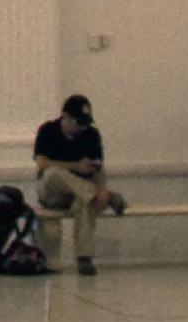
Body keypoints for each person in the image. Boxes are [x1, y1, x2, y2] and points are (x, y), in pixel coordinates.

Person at [32, 94, 126, 275]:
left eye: (84, 123)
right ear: (65, 117)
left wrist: (102, 189)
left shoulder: (91, 135)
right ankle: (96, 194)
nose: (81, 128)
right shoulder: (47, 131)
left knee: (85, 202)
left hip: (79, 192)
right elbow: (42, 164)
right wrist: (75, 166)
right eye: (78, 122)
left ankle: (84, 258)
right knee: (54, 174)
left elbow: (98, 168)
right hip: (52, 191)